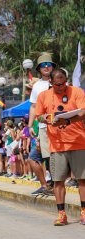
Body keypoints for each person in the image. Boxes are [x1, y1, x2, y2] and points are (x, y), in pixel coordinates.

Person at [35, 68, 85, 226]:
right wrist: (46, 118)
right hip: (56, 145)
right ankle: (61, 214)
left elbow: (83, 112)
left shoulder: (76, 92)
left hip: (78, 142)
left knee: (82, 179)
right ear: (51, 82)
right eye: (57, 84)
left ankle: (84, 212)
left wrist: (68, 121)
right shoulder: (44, 96)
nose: (61, 87)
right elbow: (39, 116)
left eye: (63, 83)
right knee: (58, 181)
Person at [28, 53, 55, 195]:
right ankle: (47, 186)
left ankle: (54, 185)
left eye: (48, 64)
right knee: (42, 157)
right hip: (43, 127)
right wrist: (30, 126)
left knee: (57, 156)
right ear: (39, 68)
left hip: (59, 126)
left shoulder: (59, 81)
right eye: (43, 65)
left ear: (52, 67)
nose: (46, 67)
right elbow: (33, 107)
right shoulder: (37, 86)